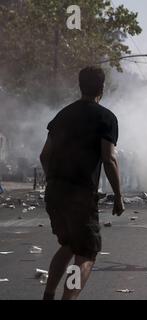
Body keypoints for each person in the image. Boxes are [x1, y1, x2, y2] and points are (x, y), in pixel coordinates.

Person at [39, 66, 125, 300]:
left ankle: (48, 295)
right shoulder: (106, 117)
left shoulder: (62, 115)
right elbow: (109, 158)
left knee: (68, 245)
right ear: (102, 88)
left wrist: (53, 181)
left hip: (55, 192)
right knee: (86, 253)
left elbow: (44, 155)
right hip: (80, 194)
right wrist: (118, 196)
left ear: (80, 85)